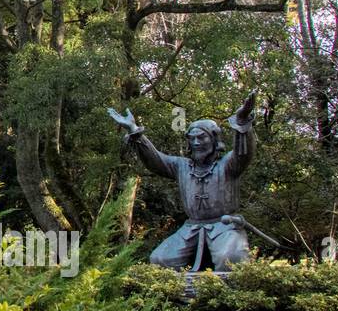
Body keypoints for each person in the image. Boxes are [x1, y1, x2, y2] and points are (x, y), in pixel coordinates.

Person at [107, 93, 257, 272]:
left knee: (231, 259)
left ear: (214, 139)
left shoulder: (227, 165)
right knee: (159, 259)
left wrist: (242, 121)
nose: (196, 142)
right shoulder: (182, 166)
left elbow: (243, 154)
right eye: (192, 138)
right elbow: (156, 161)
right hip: (191, 228)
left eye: (201, 137)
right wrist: (133, 130)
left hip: (224, 227)